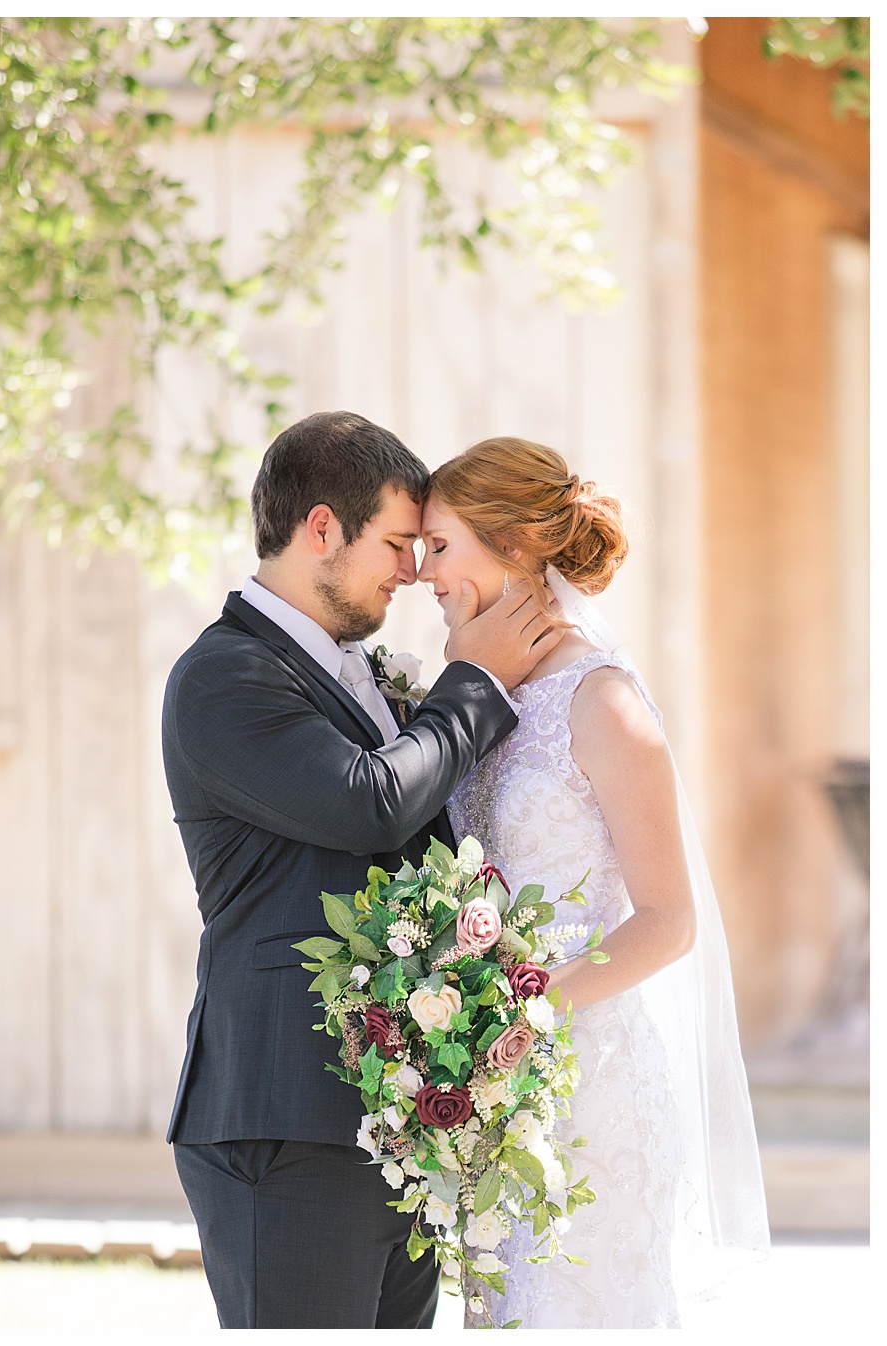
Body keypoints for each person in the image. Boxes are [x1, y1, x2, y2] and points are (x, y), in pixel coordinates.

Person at [159, 410, 562, 1327]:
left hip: (390, 1117)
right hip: (284, 1117)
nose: (415, 571)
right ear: (322, 529)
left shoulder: (362, 674)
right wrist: (479, 680)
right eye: (398, 542)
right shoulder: (223, 677)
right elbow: (368, 801)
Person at [421, 437, 769, 1327]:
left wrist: (528, 1014)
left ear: (517, 545)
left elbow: (668, 919)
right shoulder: (471, 693)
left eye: (441, 545)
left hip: (589, 1078)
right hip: (489, 1089)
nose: (424, 572)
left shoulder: (602, 701)